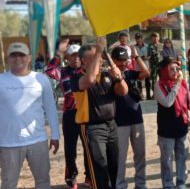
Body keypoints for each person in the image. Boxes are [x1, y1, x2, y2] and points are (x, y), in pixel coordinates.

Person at [0, 42, 60, 188]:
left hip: (37, 140)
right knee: (8, 183)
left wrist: (56, 135)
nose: (18, 58)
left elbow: (51, 108)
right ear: (8, 58)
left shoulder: (41, 79)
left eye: (22, 55)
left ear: (29, 58)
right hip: (8, 143)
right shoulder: (1, 80)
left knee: (43, 181)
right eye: (14, 55)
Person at [71, 38, 128, 189]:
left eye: (101, 55)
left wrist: (119, 77)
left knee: (114, 166)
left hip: (111, 125)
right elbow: (89, 79)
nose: (101, 58)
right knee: (99, 170)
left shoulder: (106, 75)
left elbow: (123, 92)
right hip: (92, 128)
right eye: (96, 56)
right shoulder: (77, 77)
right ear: (84, 60)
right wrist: (99, 48)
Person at [45, 39, 91, 188]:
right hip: (70, 114)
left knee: (89, 147)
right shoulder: (62, 72)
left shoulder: (86, 71)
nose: (75, 58)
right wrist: (58, 53)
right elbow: (49, 70)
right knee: (70, 149)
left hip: (85, 113)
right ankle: (71, 178)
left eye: (78, 55)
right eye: (72, 55)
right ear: (68, 57)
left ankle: (90, 176)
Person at [111, 46, 150, 189]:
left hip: (137, 118)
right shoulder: (109, 76)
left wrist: (136, 57)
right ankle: (120, 185)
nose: (122, 63)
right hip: (120, 122)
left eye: (124, 60)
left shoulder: (130, 73)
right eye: (119, 60)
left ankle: (141, 184)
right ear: (113, 60)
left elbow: (146, 73)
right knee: (120, 157)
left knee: (140, 154)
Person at [154, 58, 190, 189]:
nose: (175, 72)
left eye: (177, 69)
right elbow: (167, 102)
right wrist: (177, 84)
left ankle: (181, 182)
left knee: (182, 156)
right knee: (167, 160)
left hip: (181, 126)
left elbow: (188, 102)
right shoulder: (159, 85)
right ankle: (168, 185)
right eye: (171, 69)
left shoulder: (183, 83)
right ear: (164, 71)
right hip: (166, 128)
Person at [134, 32, 150, 100]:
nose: (138, 40)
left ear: (142, 38)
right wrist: (138, 58)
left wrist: (146, 58)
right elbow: (133, 56)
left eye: (139, 38)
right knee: (139, 82)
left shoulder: (147, 46)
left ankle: (148, 95)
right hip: (138, 66)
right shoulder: (134, 47)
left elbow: (150, 55)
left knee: (147, 81)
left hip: (146, 65)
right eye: (137, 38)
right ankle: (140, 95)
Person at [148, 32, 163, 99]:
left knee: (162, 79)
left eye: (156, 36)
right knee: (154, 80)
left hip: (161, 65)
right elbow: (152, 53)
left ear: (159, 37)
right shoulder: (150, 46)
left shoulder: (162, 45)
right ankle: (154, 94)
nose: (155, 38)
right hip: (154, 66)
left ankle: (163, 93)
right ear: (151, 38)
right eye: (153, 37)